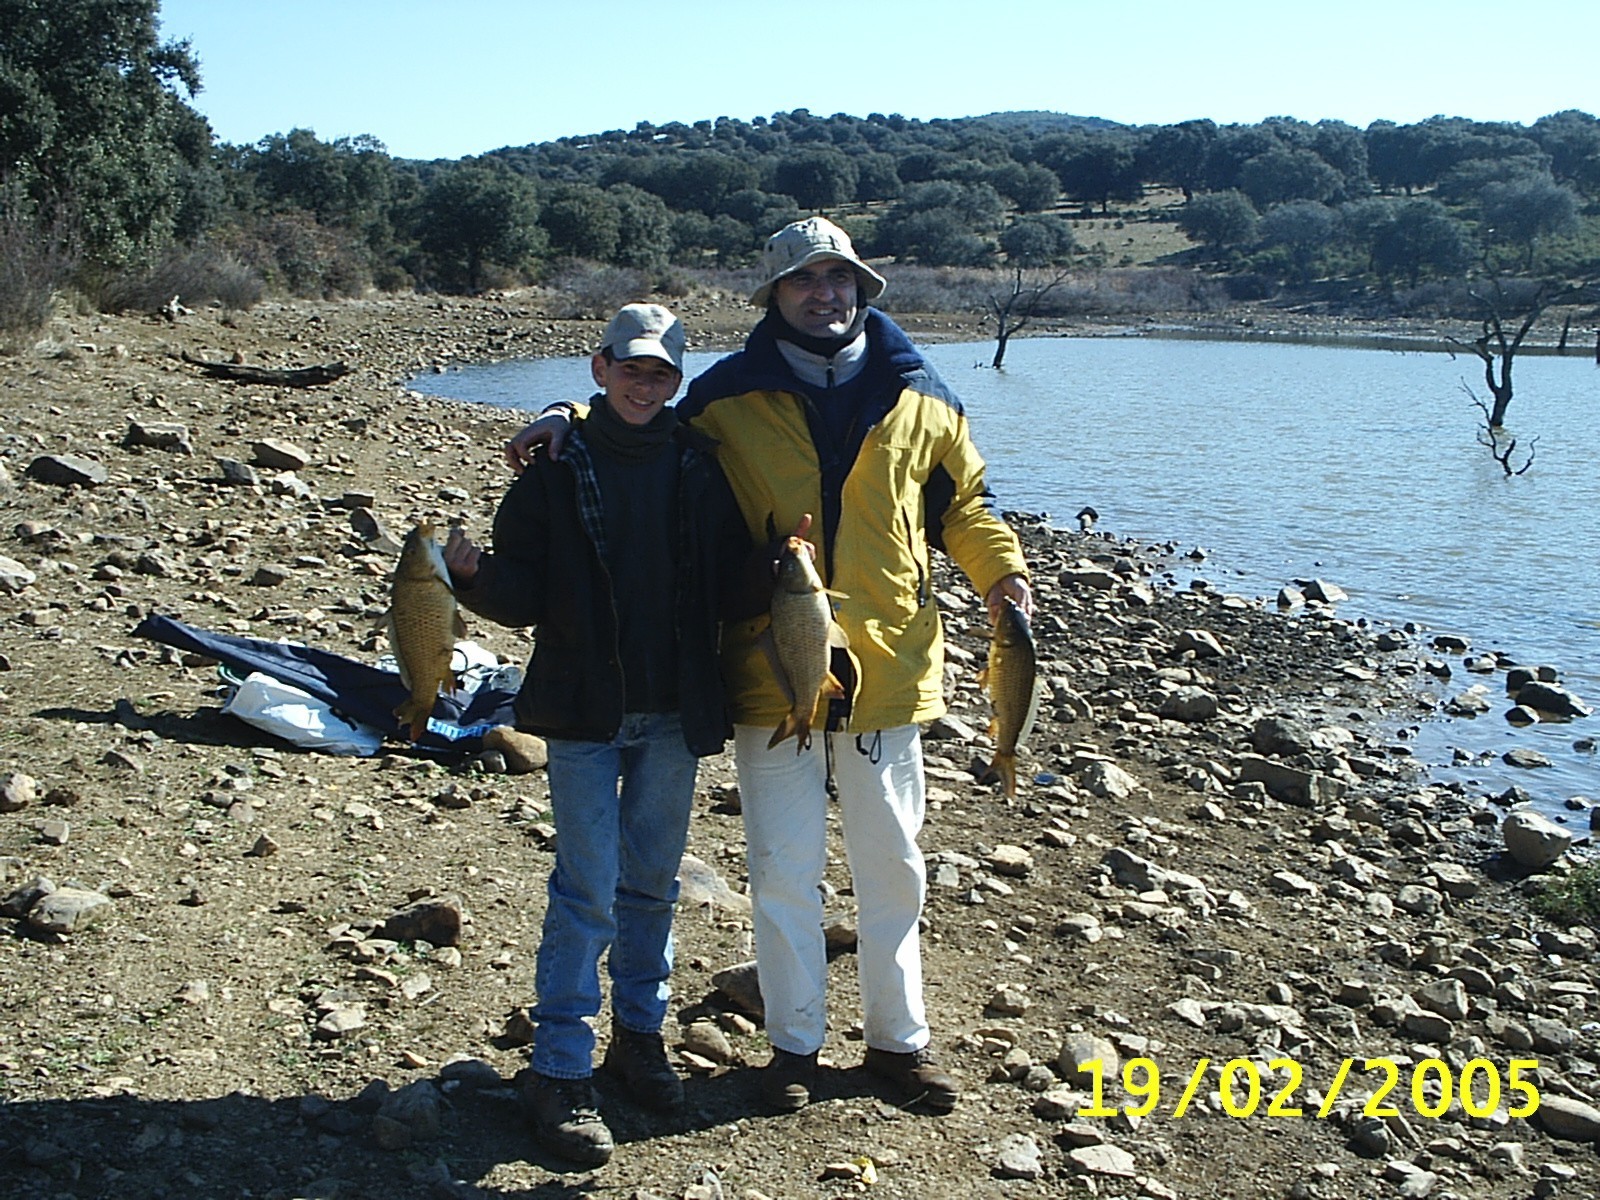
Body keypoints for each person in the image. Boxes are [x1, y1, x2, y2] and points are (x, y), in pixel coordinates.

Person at [507, 217, 1031, 1116]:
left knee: (894, 866)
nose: (824, 295)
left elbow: (964, 506)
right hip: (766, 669)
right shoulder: (724, 398)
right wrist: (564, 413)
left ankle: (898, 1044)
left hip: (890, 669)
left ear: (862, 288)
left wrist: (1003, 574)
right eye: (803, 281)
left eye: (839, 279)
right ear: (775, 296)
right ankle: (793, 1045)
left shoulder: (925, 395)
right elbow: (637, 421)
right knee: (784, 870)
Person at [446, 303, 748, 1166]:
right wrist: (472, 578)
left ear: (677, 382)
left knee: (651, 885)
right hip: (582, 711)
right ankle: (559, 1069)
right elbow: (523, 593)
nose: (644, 385)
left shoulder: (701, 463)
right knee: (585, 889)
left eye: (661, 373)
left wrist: (786, 571)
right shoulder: (553, 464)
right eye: (631, 369)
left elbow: (730, 582)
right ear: (600, 368)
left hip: (675, 713)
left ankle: (638, 1040)